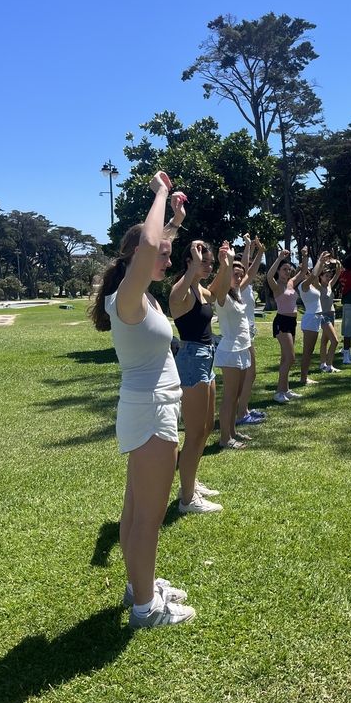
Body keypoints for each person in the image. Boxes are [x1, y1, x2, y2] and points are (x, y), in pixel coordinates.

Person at [90, 172, 195, 629]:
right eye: (161, 253)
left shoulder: (139, 294)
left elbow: (155, 242)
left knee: (135, 511)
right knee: (148, 518)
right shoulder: (127, 298)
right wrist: (157, 195)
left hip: (148, 408)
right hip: (151, 412)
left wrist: (174, 217)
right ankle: (144, 609)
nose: (166, 259)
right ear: (136, 256)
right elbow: (150, 247)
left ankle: (141, 587)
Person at [169, 240, 223, 515]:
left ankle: (189, 483)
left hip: (206, 357)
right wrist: (192, 260)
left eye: (210, 262)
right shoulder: (183, 290)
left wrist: (225, 264)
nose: (209, 265)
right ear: (190, 261)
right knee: (193, 433)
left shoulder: (199, 290)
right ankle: (187, 499)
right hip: (192, 359)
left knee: (205, 428)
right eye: (206, 261)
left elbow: (216, 293)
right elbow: (172, 301)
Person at [214, 240, 265, 447]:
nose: (239, 277)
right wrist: (226, 261)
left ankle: (233, 432)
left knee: (236, 395)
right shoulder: (222, 296)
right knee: (229, 396)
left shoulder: (236, 294)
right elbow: (225, 279)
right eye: (234, 274)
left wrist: (260, 251)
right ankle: (225, 439)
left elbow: (250, 274)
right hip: (231, 351)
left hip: (243, 348)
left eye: (239, 274)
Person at [266, 247, 308, 403]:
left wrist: (304, 256)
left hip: (292, 322)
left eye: (289, 270)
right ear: (278, 271)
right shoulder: (276, 286)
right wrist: (278, 259)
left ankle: (285, 389)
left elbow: (303, 272)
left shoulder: (291, 283)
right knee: (290, 358)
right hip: (281, 322)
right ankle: (278, 392)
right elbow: (269, 275)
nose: (287, 272)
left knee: (285, 358)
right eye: (284, 269)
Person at [235, 233, 267, 428]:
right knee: (249, 373)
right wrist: (256, 250)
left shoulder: (242, 285)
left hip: (248, 331)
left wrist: (249, 246)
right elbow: (250, 268)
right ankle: (241, 413)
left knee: (249, 374)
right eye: (237, 269)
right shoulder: (239, 286)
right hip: (242, 333)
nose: (241, 271)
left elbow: (246, 264)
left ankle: (243, 409)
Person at [299, 251, 331, 385]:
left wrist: (322, 263)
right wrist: (320, 261)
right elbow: (314, 275)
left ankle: (304, 377)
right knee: (308, 352)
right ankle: (303, 378)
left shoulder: (312, 286)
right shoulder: (304, 286)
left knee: (310, 351)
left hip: (315, 319)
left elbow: (316, 276)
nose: (308, 274)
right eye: (305, 272)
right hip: (311, 319)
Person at [319, 259, 342, 373]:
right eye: (326, 276)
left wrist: (336, 262)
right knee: (335, 341)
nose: (328, 278)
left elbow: (338, 272)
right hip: (323, 316)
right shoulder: (318, 287)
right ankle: (329, 365)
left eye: (329, 276)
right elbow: (312, 277)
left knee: (325, 341)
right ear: (321, 276)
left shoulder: (329, 286)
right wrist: (321, 263)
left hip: (332, 315)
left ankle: (322, 364)